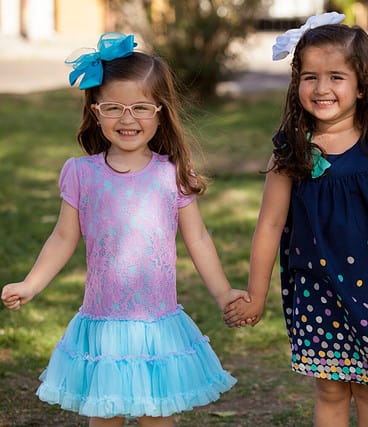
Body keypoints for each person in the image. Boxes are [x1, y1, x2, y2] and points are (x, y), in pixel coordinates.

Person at [1, 32, 249, 427]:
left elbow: (198, 238)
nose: (127, 119)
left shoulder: (172, 175)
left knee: (156, 417)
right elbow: (63, 237)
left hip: (157, 325)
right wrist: (31, 285)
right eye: (114, 107)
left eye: (140, 107)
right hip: (103, 326)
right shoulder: (81, 174)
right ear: (96, 111)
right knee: (106, 416)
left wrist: (223, 294)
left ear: (160, 112)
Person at [223, 12, 368, 427]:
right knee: (330, 387)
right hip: (315, 287)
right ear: (296, 83)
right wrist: (255, 293)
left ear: (362, 85)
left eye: (336, 77)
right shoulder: (292, 149)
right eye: (309, 77)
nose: (322, 88)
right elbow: (269, 224)